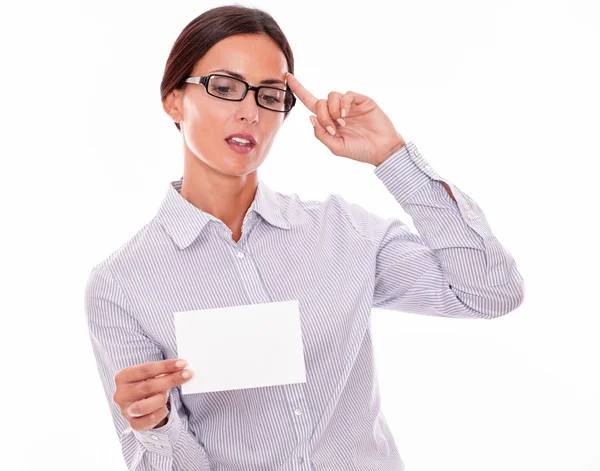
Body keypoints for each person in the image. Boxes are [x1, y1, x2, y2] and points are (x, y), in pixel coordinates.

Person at [84, 5, 525, 471]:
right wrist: (155, 428)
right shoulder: (121, 285)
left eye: (270, 94)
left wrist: (391, 156)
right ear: (175, 100)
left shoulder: (344, 233)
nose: (250, 112)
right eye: (226, 88)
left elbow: (491, 293)